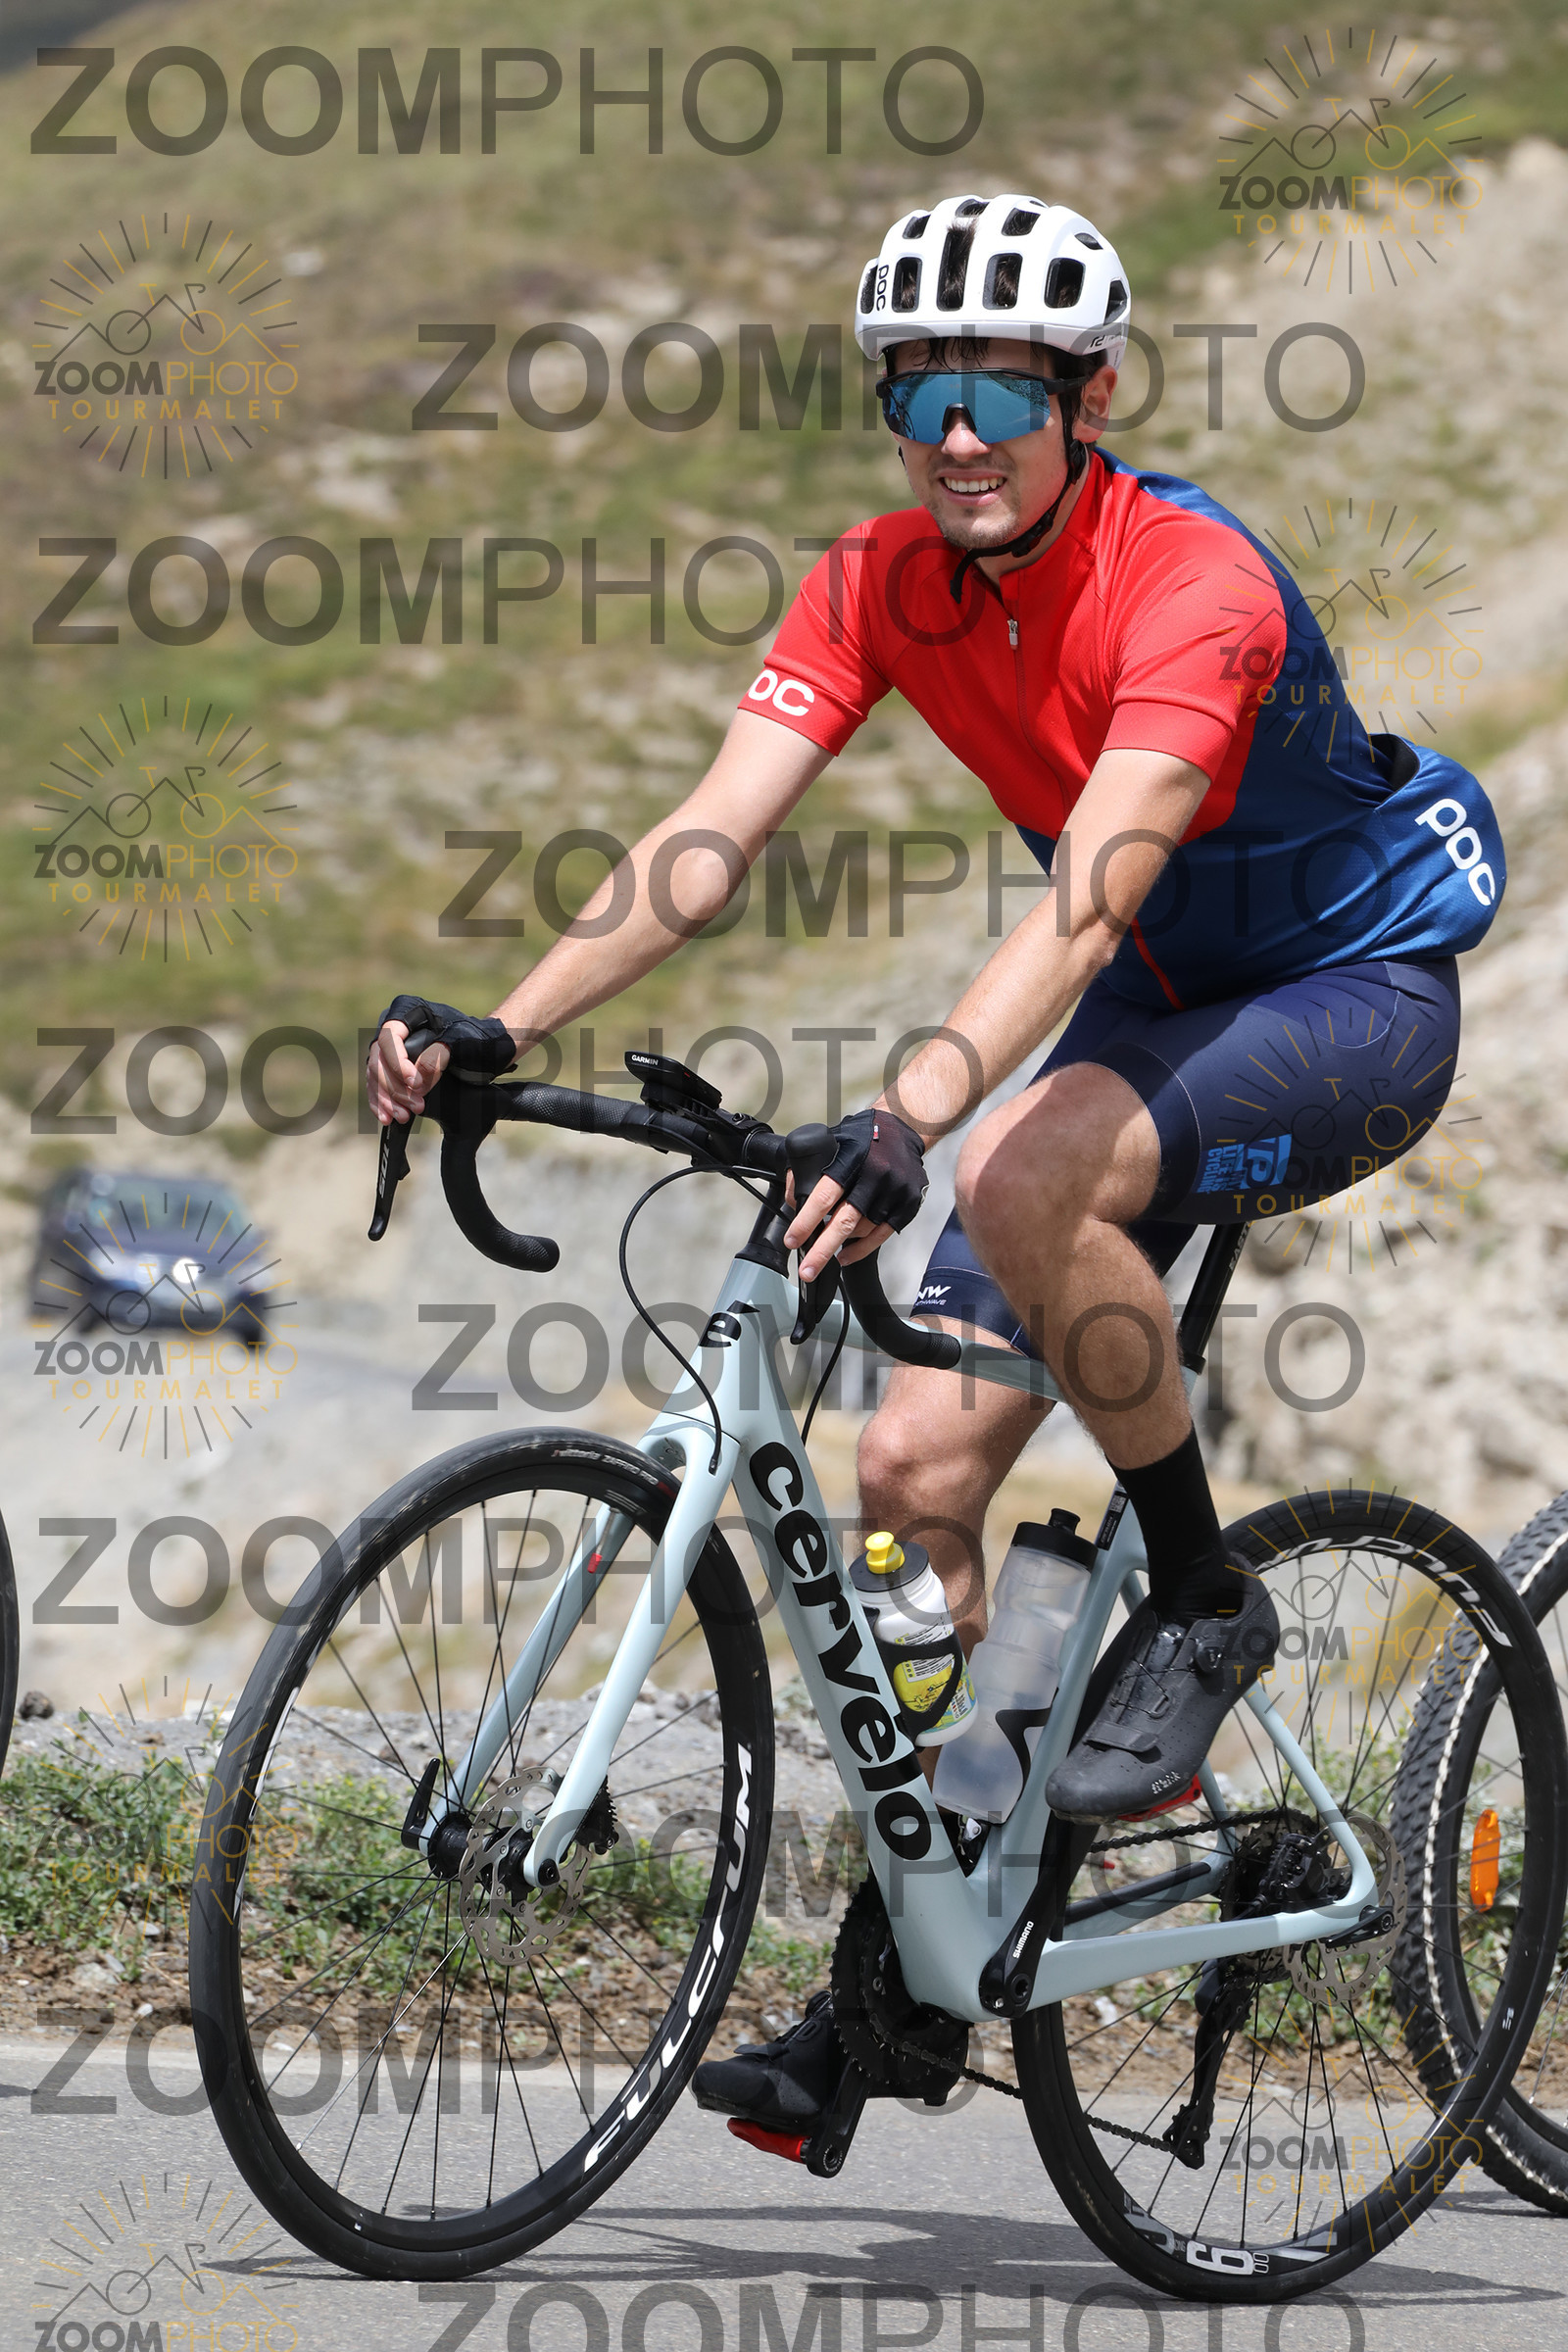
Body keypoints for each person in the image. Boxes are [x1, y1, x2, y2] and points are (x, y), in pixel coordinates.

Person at [368, 192, 1503, 2140]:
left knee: (1013, 1177)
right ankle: (916, 1973)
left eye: (1001, 391)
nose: (957, 433)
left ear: (1090, 397)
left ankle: (1207, 1598)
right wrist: (508, 1021)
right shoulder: (882, 579)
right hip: (1156, 1009)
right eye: (917, 394)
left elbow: (1083, 905)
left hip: (1349, 993)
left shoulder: (1193, 587)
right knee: (903, 1477)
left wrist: (906, 1116)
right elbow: (711, 835)